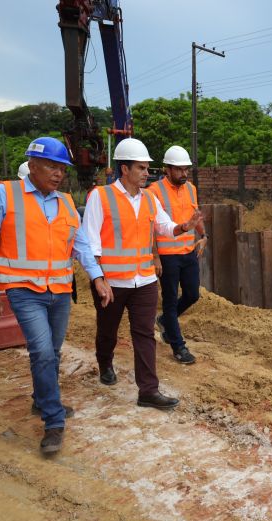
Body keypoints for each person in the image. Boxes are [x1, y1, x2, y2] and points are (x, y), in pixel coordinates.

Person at [0, 137, 113, 455]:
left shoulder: (65, 204)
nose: (58, 173)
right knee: (43, 353)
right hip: (23, 290)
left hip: (60, 291)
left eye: (62, 168)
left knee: (53, 350)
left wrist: (98, 277)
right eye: (51, 166)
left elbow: (81, 246)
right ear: (32, 166)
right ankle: (53, 420)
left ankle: (40, 399)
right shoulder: (3, 195)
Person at [81, 138, 202, 410]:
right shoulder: (100, 197)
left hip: (144, 280)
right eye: (141, 168)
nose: (147, 173)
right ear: (124, 169)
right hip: (112, 282)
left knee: (145, 334)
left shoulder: (149, 198)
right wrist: (98, 279)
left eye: (147, 168)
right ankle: (105, 363)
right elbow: (91, 243)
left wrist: (185, 226)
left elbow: (164, 227)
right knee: (108, 331)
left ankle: (148, 390)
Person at [147, 145, 207, 364]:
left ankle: (164, 321)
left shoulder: (190, 188)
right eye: (179, 170)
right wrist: (155, 256)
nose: (184, 173)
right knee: (171, 300)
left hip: (188, 251)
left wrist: (204, 235)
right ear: (167, 169)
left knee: (192, 294)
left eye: (186, 169)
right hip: (167, 254)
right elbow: (151, 226)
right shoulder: (153, 191)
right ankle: (178, 346)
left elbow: (195, 215)